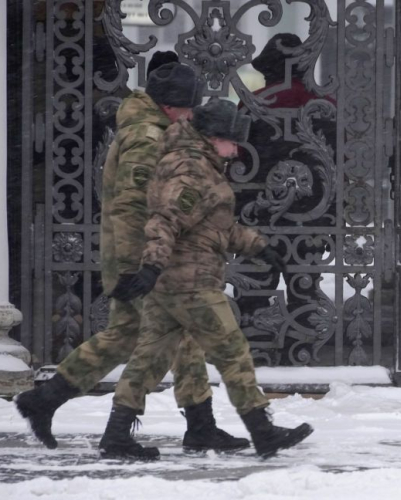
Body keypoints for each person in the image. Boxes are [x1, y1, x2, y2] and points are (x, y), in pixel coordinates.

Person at [16, 61, 250, 456]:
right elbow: (132, 207)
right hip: (142, 258)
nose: (194, 116)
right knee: (176, 335)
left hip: (142, 256)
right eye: (190, 108)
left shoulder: (153, 130)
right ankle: (170, 429)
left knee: (127, 336)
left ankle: (45, 400)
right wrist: (140, 267)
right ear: (174, 107)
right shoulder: (147, 137)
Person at [98, 98, 314, 460]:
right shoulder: (192, 170)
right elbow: (166, 219)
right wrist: (150, 265)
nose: (236, 149)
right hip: (191, 282)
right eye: (233, 141)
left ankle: (117, 434)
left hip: (170, 284)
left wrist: (258, 247)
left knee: (148, 360)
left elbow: (214, 226)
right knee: (233, 353)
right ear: (214, 138)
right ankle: (263, 431)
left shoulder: (195, 164)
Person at [235, 33, 336, 318]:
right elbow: (343, 158)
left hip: (259, 210)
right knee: (304, 289)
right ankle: (303, 347)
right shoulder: (327, 104)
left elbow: (238, 157)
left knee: (253, 286)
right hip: (313, 211)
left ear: (268, 69)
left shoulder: (252, 103)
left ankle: (255, 342)